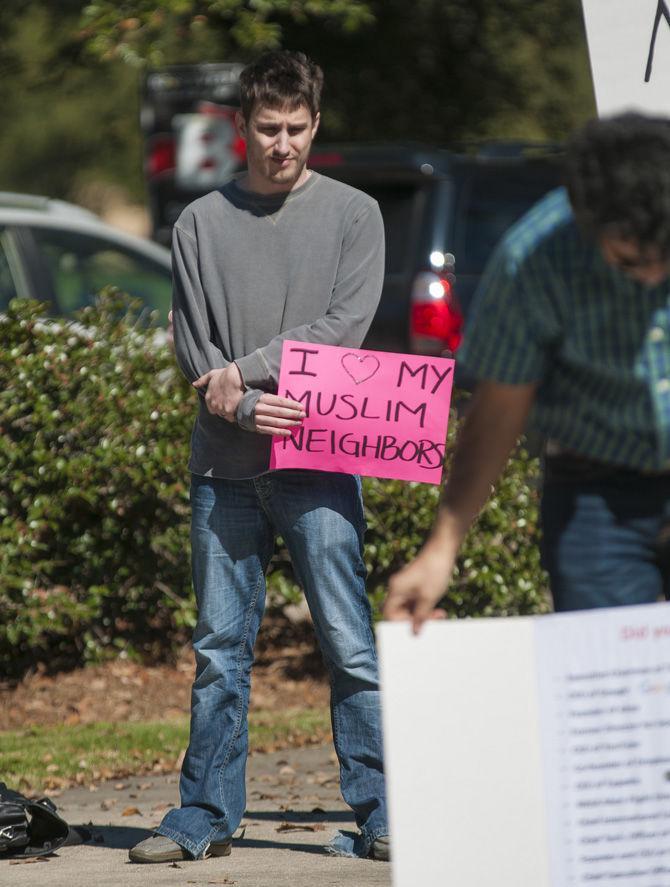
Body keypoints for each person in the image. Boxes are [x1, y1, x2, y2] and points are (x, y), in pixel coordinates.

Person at [129, 50, 389, 864]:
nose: (283, 144)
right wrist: (239, 397)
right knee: (218, 650)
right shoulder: (199, 222)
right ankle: (205, 813)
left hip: (320, 458)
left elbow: (346, 323)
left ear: (316, 123)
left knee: (348, 642)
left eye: (297, 129)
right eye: (268, 129)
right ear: (239, 128)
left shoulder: (355, 214)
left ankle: (384, 810)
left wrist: (249, 368)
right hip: (225, 467)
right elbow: (195, 348)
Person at [384, 113, 670, 631]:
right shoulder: (534, 257)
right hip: (598, 490)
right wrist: (441, 548)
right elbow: (498, 411)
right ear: (590, 223)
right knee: (605, 684)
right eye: (630, 262)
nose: (652, 278)